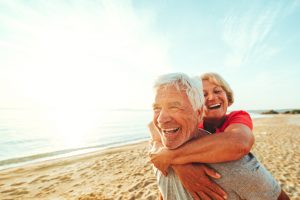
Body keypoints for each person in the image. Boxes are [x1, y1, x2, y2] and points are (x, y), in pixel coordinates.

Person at [149, 72, 289, 200]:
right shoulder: (186, 127)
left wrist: (170, 156)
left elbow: (239, 143)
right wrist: (181, 166)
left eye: (217, 91)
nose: (211, 97)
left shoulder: (236, 118)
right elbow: (153, 126)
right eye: (203, 94)